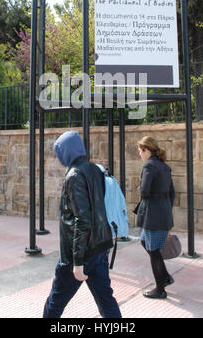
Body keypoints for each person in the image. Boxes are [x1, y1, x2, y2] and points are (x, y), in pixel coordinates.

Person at [43, 130, 122, 318]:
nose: (58, 156)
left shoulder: (73, 176)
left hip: (79, 254)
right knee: (106, 300)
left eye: (59, 151)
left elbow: (83, 219)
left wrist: (77, 262)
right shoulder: (95, 169)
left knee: (55, 302)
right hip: (99, 247)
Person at [136, 136, 175, 299]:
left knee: (153, 250)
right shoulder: (164, 167)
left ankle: (160, 288)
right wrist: (166, 208)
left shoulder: (149, 166)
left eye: (140, 150)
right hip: (163, 211)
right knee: (145, 242)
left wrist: (139, 188)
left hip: (153, 214)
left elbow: (144, 190)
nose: (139, 154)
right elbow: (172, 193)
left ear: (146, 150)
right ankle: (165, 277)